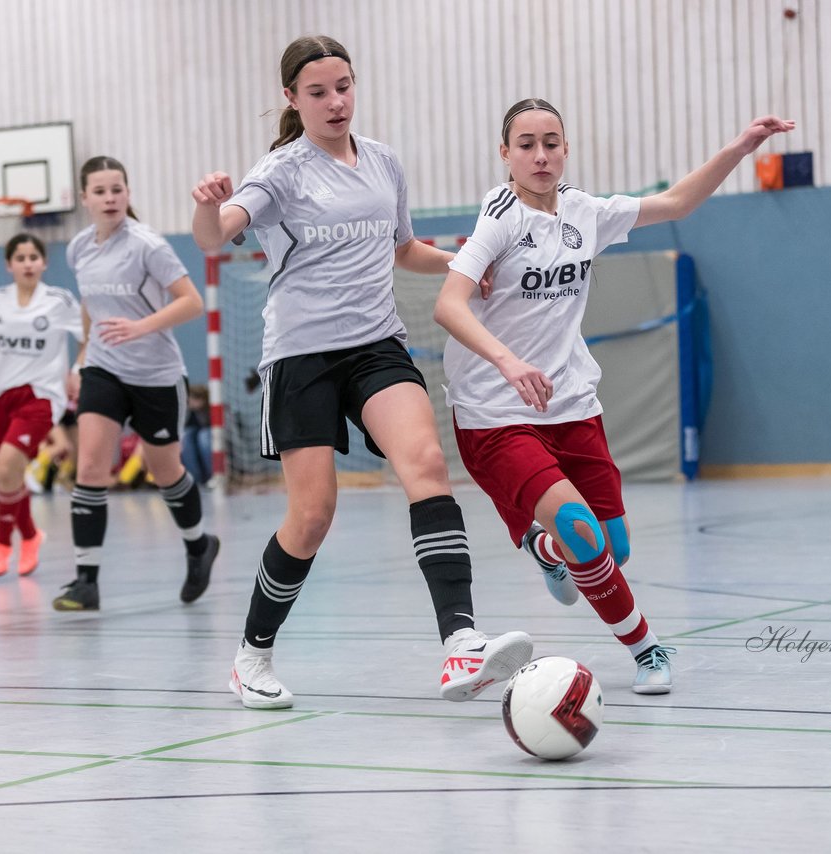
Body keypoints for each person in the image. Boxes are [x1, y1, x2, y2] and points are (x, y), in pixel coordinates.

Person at [192, 34, 532, 710]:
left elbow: (402, 248)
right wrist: (209, 202)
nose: (335, 101)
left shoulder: (383, 162)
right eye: (317, 92)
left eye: (343, 86)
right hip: (301, 355)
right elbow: (212, 236)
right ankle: (252, 655)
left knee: (427, 463)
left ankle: (460, 643)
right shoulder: (281, 172)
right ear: (292, 98)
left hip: (377, 344)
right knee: (313, 514)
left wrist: (464, 261)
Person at [433, 99, 795, 693]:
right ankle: (648, 649)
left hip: (571, 403)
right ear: (505, 154)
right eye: (526, 144)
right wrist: (508, 362)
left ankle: (547, 549)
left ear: (566, 148)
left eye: (551, 141)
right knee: (584, 532)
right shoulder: (498, 218)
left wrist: (740, 148)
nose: (540, 154)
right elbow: (449, 304)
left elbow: (677, 202)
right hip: (494, 410)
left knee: (611, 550)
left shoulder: (585, 212)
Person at [55, 155, 221, 611]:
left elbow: (190, 303)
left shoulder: (148, 245)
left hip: (155, 375)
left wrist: (140, 327)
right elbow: (90, 304)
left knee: (164, 469)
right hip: (103, 369)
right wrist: (82, 357)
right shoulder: (79, 248)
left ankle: (198, 546)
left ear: (128, 194)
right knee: (90, 467)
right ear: (84, 198)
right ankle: (85, 582)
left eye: (117, 189)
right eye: (100, 191)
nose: (110, 198)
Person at [0, 234, 85, 576]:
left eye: (34, 257)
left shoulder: (59, 300)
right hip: (2, 395)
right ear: (9, 265)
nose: (28, 263)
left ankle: (2, 544)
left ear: (43, 263)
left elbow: (89, 334)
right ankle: (30, 535)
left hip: (43, 396)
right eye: (21, 257)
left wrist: (77, 370)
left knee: (6, 465)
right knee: (9, 472)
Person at [180, 384, 213, 486]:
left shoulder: (214, 409)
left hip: (212, 441)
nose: (191, 401)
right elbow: (182, 427)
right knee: (185, 435)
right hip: (195, 445)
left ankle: (213, 476)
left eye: (195, 398)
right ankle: (194, 478)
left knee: (203, 436)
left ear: (203, 399)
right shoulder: (189, 411)